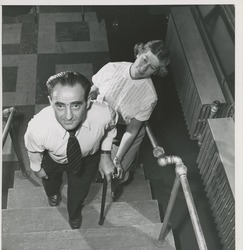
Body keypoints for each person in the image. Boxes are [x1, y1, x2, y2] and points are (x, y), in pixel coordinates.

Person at [24, 71, 117, 229]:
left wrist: (106, 154)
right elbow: (33, 150)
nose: (68, 116)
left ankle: (74, 214)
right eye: (60, 105)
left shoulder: (104, 114)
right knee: (49, 180)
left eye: (76, 105)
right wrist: (36, 168)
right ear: (50, 101)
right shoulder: (37, 128)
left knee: (80, 191)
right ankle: (53, 194)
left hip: (87, 160)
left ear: (87, 102)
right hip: (53, 159)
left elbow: (111, 128)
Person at [89, 40, 170, 197]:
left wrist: (118, 158)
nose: (143, 68)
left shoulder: (150, 96)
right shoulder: (112, 68)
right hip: (101, 121)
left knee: (118, 170)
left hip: (125, 131)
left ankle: (116, 185)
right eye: (144, 59)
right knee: (92, 155)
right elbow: (94, 89)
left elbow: (132, 130)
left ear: (156, 71)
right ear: (139, 53)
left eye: (152, 67)